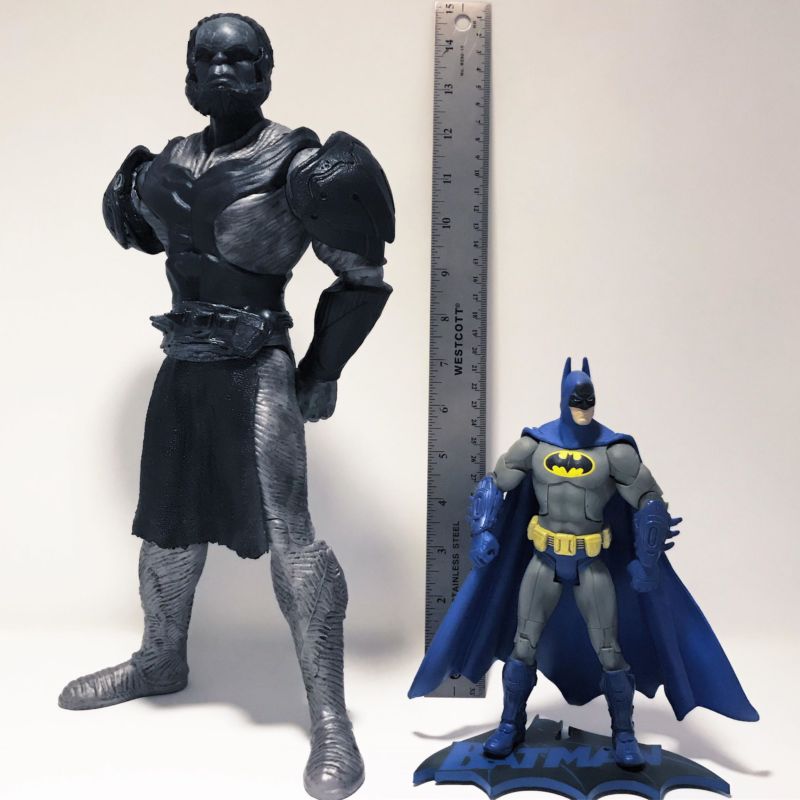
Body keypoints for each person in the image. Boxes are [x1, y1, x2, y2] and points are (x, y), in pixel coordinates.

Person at [59, 14, 394, 800]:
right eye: (206, 56)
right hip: (184, 363)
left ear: (267, 70)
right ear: (187, 69)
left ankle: (330, 717)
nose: (222, 70)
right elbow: (146, 237)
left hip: (258, 366)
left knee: (293, 540)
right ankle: (160, 658)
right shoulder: (156, 172)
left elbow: (361, 281)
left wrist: (321, 371)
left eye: (239, 57)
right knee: (165, 526)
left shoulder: (304, 168)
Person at [410, 358, 758, 769]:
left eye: (587, 400)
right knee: (524, 644)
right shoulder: (533, 445)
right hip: (543, 562)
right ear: (563, 399)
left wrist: (647, 560)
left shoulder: (614, 452)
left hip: (591, 563)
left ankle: (623, 732)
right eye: (576, 400)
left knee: (610, 651)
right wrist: (484, 531)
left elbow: (649, 502)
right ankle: (510, 723)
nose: (582, 407)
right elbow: (493, 484)